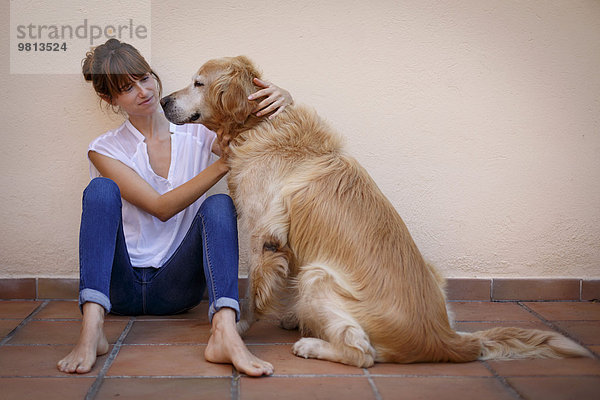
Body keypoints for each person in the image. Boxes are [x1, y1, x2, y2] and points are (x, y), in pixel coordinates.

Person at [56, 38, 292, 377]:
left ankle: (224, 332)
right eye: (126, 88)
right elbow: (160, 207)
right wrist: (223, 164)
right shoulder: (104, 149)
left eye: (145, 78)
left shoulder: (197, 133)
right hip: (120, 287)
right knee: (100, 191)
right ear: (110, 99)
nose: (143, 91)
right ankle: (91, 329)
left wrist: (284, 97)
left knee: (219, 205)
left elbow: (251, 128)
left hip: (177, 287)